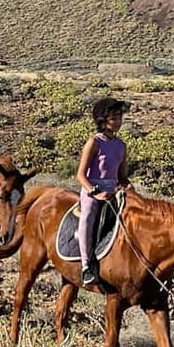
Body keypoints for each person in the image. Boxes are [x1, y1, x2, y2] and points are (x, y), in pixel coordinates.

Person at [76, 97, 132, 286]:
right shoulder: (94, 142)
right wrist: (94, 192)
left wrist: (129, 187)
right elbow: (81, 175)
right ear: (103, 120)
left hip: (114, 191)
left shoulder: (121, 146)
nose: (118, 122)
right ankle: (86, 265)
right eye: (113, 118)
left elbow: (122, 176)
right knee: (88, 215)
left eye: (120, 118)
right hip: (93, 189)